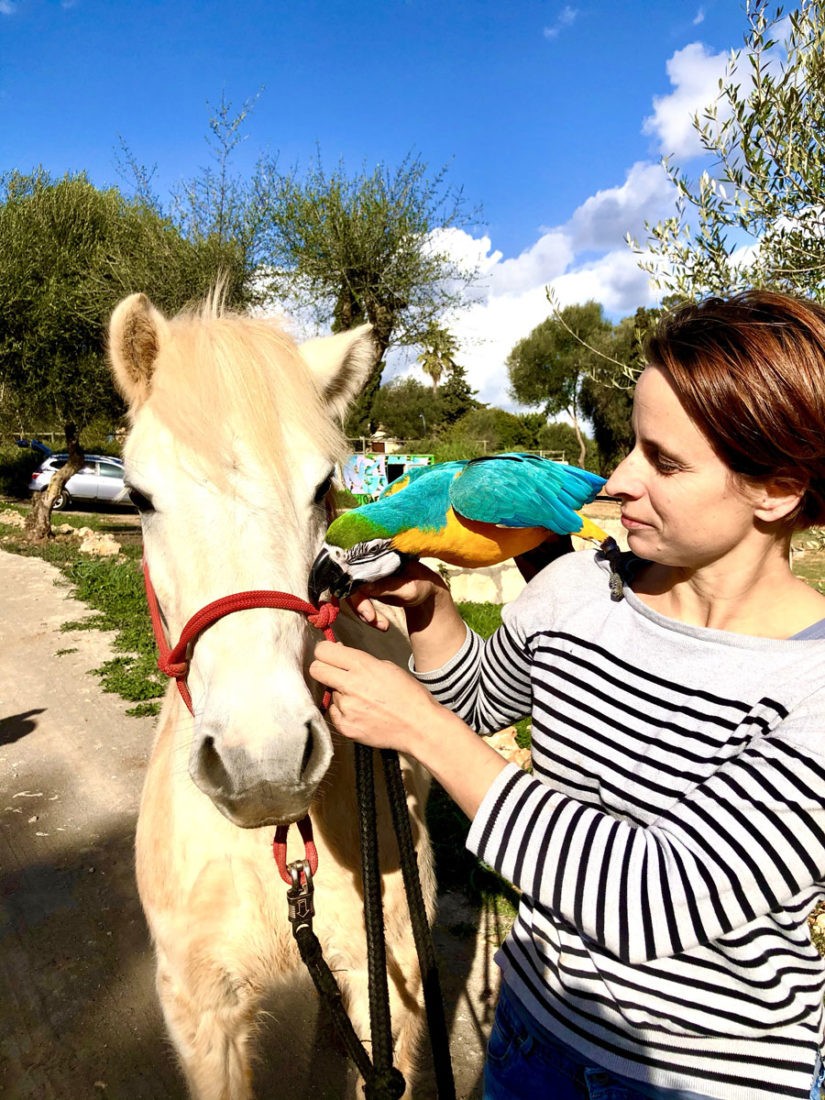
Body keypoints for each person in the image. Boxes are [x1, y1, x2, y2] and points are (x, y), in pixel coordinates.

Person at [309, 289, 825, 1100]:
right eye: (630, 446)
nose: (616, 482)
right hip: (530, 1034)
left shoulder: (813, 691)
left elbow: (647, 897)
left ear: (775, 490)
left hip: (697, 1081)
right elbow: (479, 704)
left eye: (664, 461)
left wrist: (423, 733)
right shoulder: (578, 590)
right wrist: (432, 611)